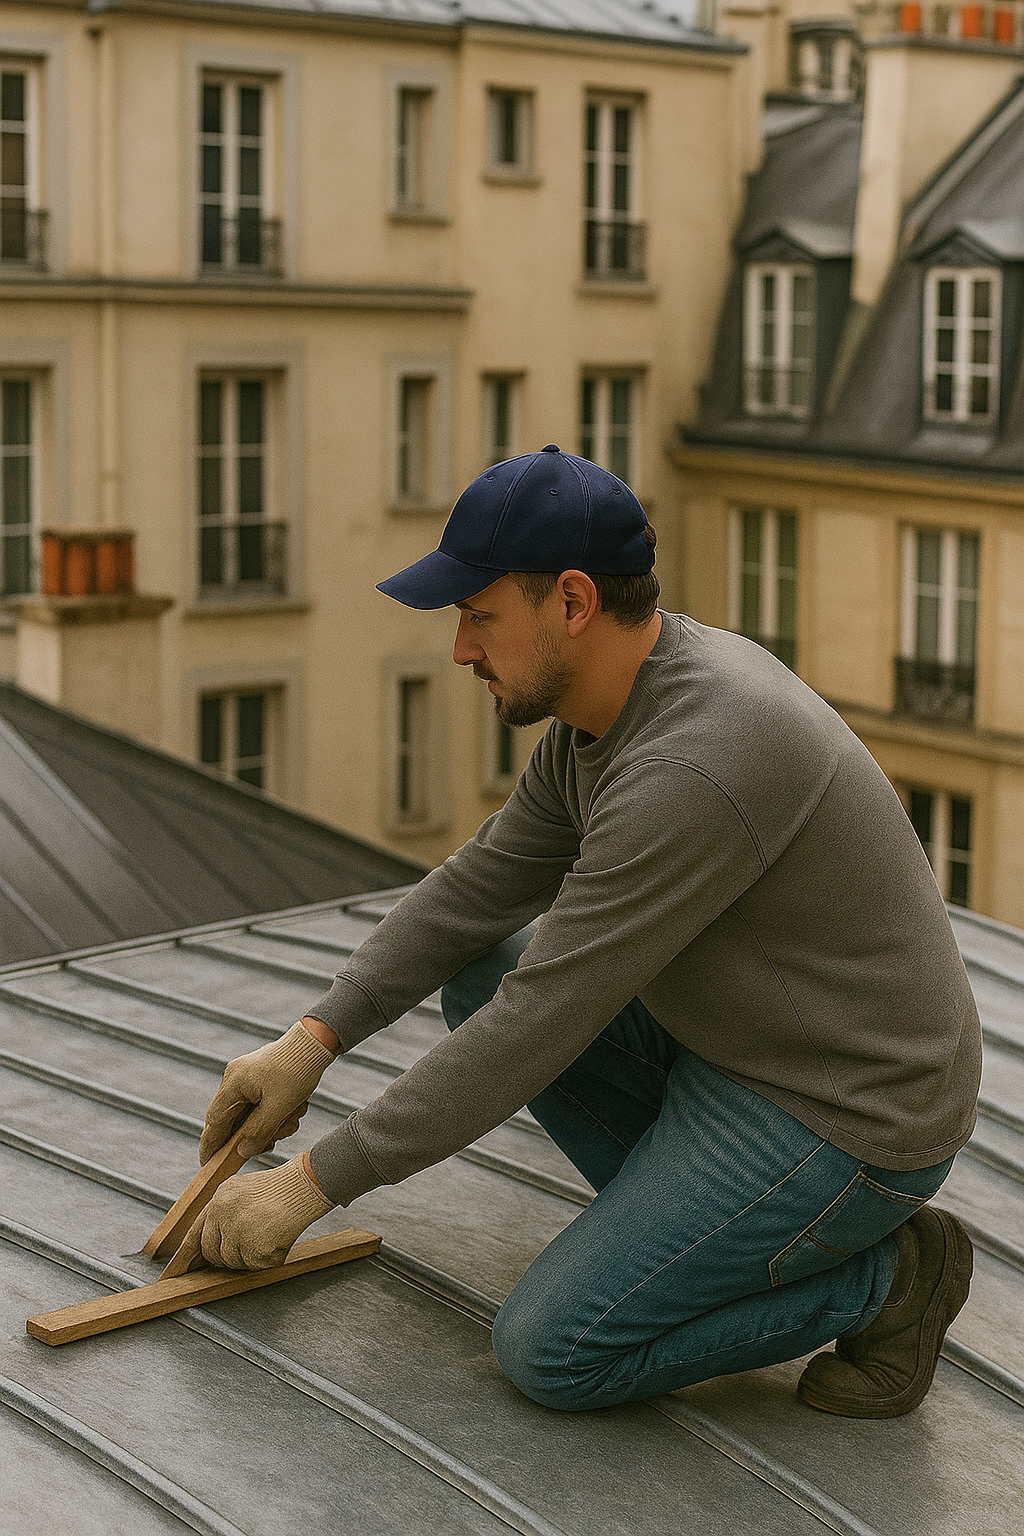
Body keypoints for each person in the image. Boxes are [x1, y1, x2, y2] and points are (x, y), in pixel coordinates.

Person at [180, 444, 980, 1420]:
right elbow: (480, 888)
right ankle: (711, 1239)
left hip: (845, 1113)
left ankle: (889, 1280)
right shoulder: (606, 714)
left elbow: (542, 1018)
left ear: (571, 601)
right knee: (480, 968)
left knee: (554, 1350)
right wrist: (311, 1040)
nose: (461, 649)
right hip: (737, 1052)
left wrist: (307, 1186)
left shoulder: (695, 763)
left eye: (479, 616)